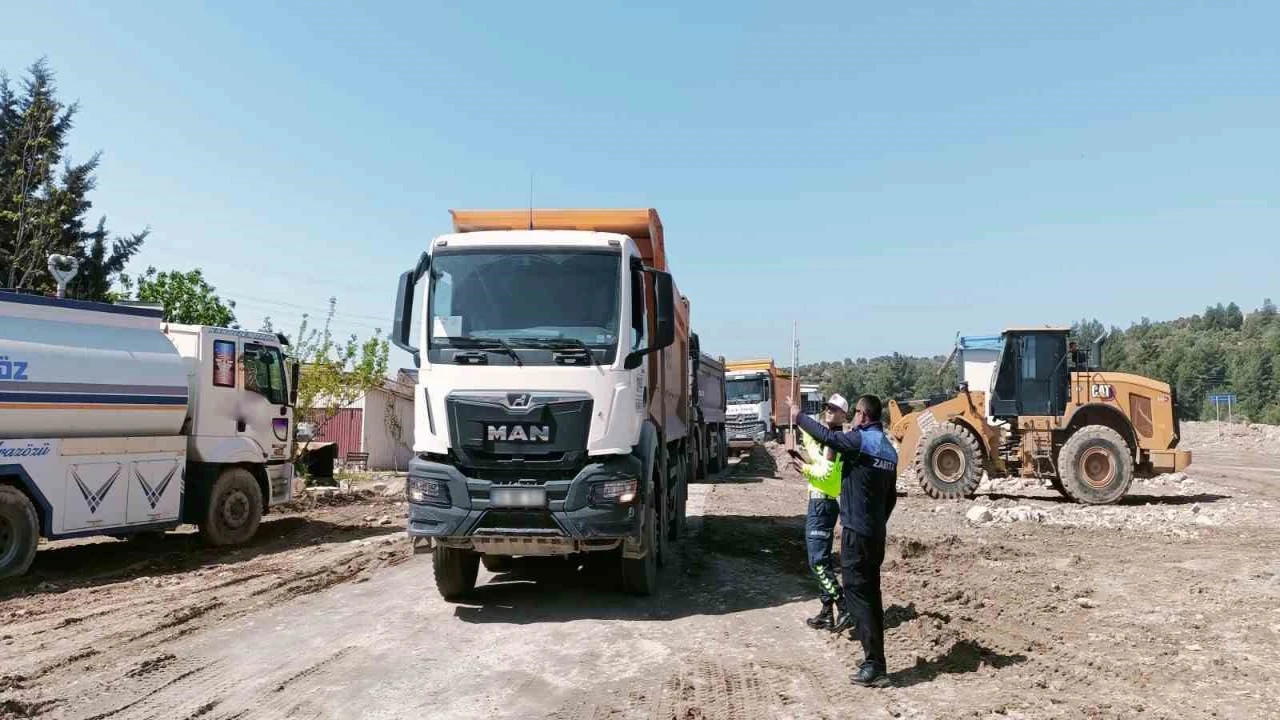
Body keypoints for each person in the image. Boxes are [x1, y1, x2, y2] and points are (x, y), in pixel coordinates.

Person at [792, 394, 899, 688]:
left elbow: (826, 436)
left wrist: (797, 415)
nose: (852, 418)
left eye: (854, 414)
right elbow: (891, 497)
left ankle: (874, 665)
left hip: (856, 532)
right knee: (871, 595)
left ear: (863, 416)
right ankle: (876, 660)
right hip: (875, 534)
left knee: (857, 596)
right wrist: (876, 523)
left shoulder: (859, 441)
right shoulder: (889, 450)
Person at [794, 394, 852, 633]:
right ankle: (827, 612)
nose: (829, 410)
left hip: (823, 505)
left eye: (834, 408)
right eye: (827, 406)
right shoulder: (830, 439)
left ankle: (842, 604)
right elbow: (814, 442)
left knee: (817, 561)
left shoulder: (836, 441)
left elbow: (827, 475)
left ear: (843, 415)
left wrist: (805, 469)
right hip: (821, 504)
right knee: (821, 558)